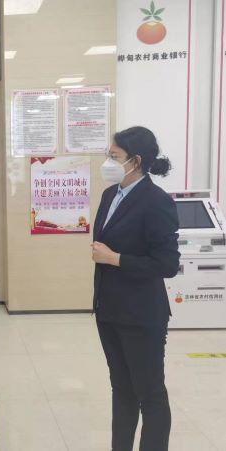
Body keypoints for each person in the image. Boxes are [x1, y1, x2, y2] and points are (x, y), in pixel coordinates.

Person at [91, 126, 180, 451]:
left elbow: (167, 263)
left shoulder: (156, 202)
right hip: (109, 310)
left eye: (114, 156)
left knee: (150, 394)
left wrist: (116, 259)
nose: (108, 162)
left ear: (136, 161)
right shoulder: (110, 195)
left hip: (142, 316)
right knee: (122, 389)